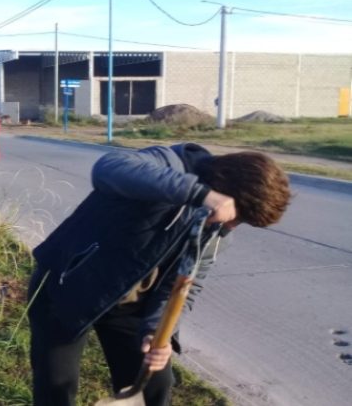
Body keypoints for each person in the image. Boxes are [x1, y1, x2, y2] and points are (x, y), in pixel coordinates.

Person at [27, 144, 291, 406]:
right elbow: (108, 169)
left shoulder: (216, 231)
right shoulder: (171, 163)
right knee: (56, 385)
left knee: (155, 384)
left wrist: (157, 331)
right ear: (226, 188)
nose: (232, 225)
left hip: (129, 306)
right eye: (239, 216)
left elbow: (183, 285)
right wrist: (201, 195)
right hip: (69, 286)